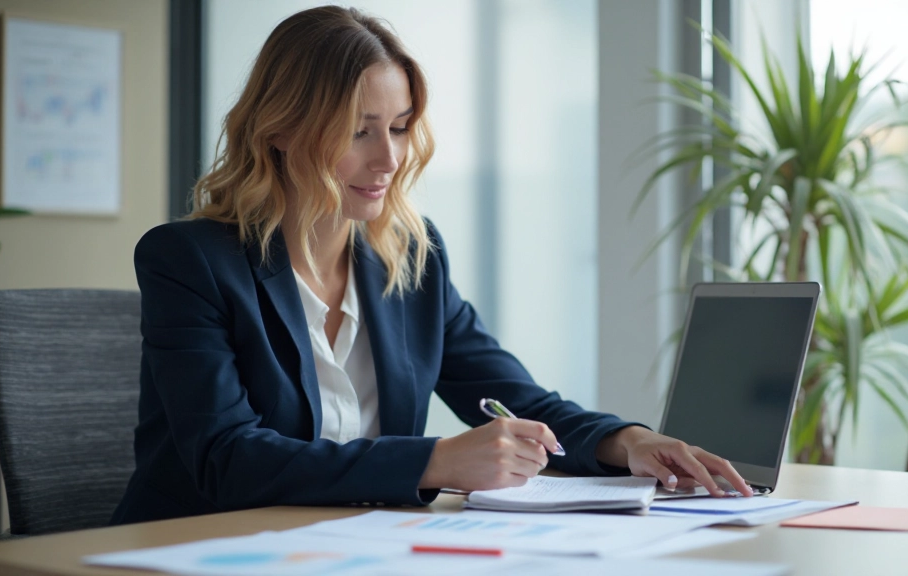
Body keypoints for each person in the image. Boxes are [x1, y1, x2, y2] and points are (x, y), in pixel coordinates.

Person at [111, 5, 751, 526]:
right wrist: (436, 461)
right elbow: (227, 459)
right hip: (195, 550)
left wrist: (627, 442)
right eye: (360, 130)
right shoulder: (191, 260)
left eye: (399, 127)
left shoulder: (412, 259)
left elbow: (511, 400)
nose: (388, 159)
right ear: (281, 129)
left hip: (354, 547)